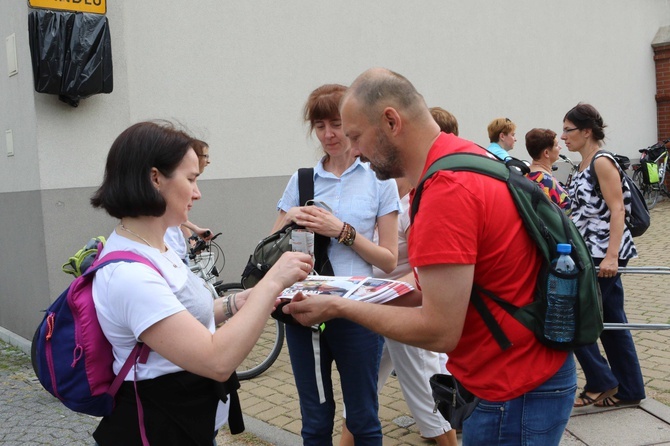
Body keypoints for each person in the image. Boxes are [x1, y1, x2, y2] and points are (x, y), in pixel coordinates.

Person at [283, 68, 576, 446]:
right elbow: (438, 284)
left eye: (355, 136)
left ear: (391, 121)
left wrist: (340, 308)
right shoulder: (465, 156)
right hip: (527, 374)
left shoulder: (445, 191)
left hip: (512, 390)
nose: (353, 150)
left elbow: (439, 330)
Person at [89, 121, 311, 445]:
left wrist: (240, 301)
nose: (197, 192)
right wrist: (271, 282)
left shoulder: (158, 247)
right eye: (191, 179)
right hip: (160, 430)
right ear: (155, 179)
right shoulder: (131, 274)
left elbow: (187, 315)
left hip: (189, 423)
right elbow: (216, 360)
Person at [271, 83, 400, 446]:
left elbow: (389, 260)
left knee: (363, 420)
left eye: (337, 124)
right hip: (305, 311)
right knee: (314, 421)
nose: (328, 135)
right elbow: (271, 247)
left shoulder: (379, 180)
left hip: (358, 313)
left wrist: (342, 231)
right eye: (319, 125)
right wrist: (290, 217)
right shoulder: (302, 180)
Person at [339, 176, 457, 446]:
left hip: (406, 312)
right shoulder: (376, 199)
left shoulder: (414, 204)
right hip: (373, 312)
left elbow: (423, 272)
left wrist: (377, 293)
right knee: (360, 393)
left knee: (427, 398)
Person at [562, 103, 645, 408]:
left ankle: (603, 381)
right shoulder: (583, 164)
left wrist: (611, 257)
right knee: (612, 320)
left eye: (569, 130)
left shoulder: (601, 162)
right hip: (590, 251)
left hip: (601, 254)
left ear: (586, 131)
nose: (563, 136)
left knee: (573, 320)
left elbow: (617, 209)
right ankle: (630, 388)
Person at [164, 139, 213, 263]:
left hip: (177, 250)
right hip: (170, 253)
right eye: (205, 156)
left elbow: (180, 214)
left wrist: (192, 234)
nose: (196, 195)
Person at [525, 128, 571, 213]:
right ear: (546, 153)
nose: (560, 147)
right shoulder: (546, 182)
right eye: (556, 145)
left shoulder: (525, 175)